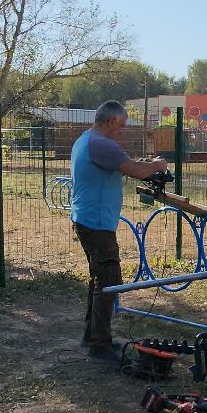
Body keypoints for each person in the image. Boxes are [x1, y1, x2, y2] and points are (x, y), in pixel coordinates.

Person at [72, 100, 168, 366]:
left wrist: (146, 163)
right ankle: (100, 347)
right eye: (122, 126)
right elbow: (134, 170)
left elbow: (125, 163)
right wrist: (157, 166)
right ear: (111, 121)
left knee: (98, 279)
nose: (122, 132)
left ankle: (91, 336)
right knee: (109, 281)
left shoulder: (85, 139)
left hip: (86, 219)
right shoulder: (102, 144)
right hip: (97, 224)